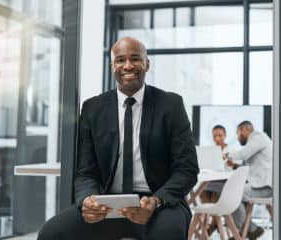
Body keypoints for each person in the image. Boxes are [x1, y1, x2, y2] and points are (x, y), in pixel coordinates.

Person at [37, 36, 199, 240]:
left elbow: (187, 169)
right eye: (121, 60)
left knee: (168, 234)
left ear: (147, 64)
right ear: (112, 66)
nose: (128, 66)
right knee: (52, 233)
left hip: (158, 204)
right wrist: (88, 200)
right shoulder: (92, 108)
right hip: (107, 204)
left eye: (135, 59)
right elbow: (86, 171)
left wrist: (156, 201)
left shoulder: (171, 105)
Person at [226, 121, 272, 240]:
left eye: (238, 133)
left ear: (244, 129)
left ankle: (250, 230)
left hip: (264, 188)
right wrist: (235, 166)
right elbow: (248, 168)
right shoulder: (256, 142)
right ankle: (246, 230)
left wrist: (226, 154)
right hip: (260, 186)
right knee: (232, 192)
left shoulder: (258, 137)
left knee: (231, 194)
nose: (238, 137)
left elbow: (243, 154)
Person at [200, 125, 233, 235]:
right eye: (214, 136)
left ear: (225, 136)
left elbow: (235, 167)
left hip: (228, 183)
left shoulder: (231, 150)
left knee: (209, 190)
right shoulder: (211, 151)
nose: (217, 138)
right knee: (204, 190)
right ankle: (215, 221)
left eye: (220, 135)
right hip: (214, 181)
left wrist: (229, 161)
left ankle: (214, 223)